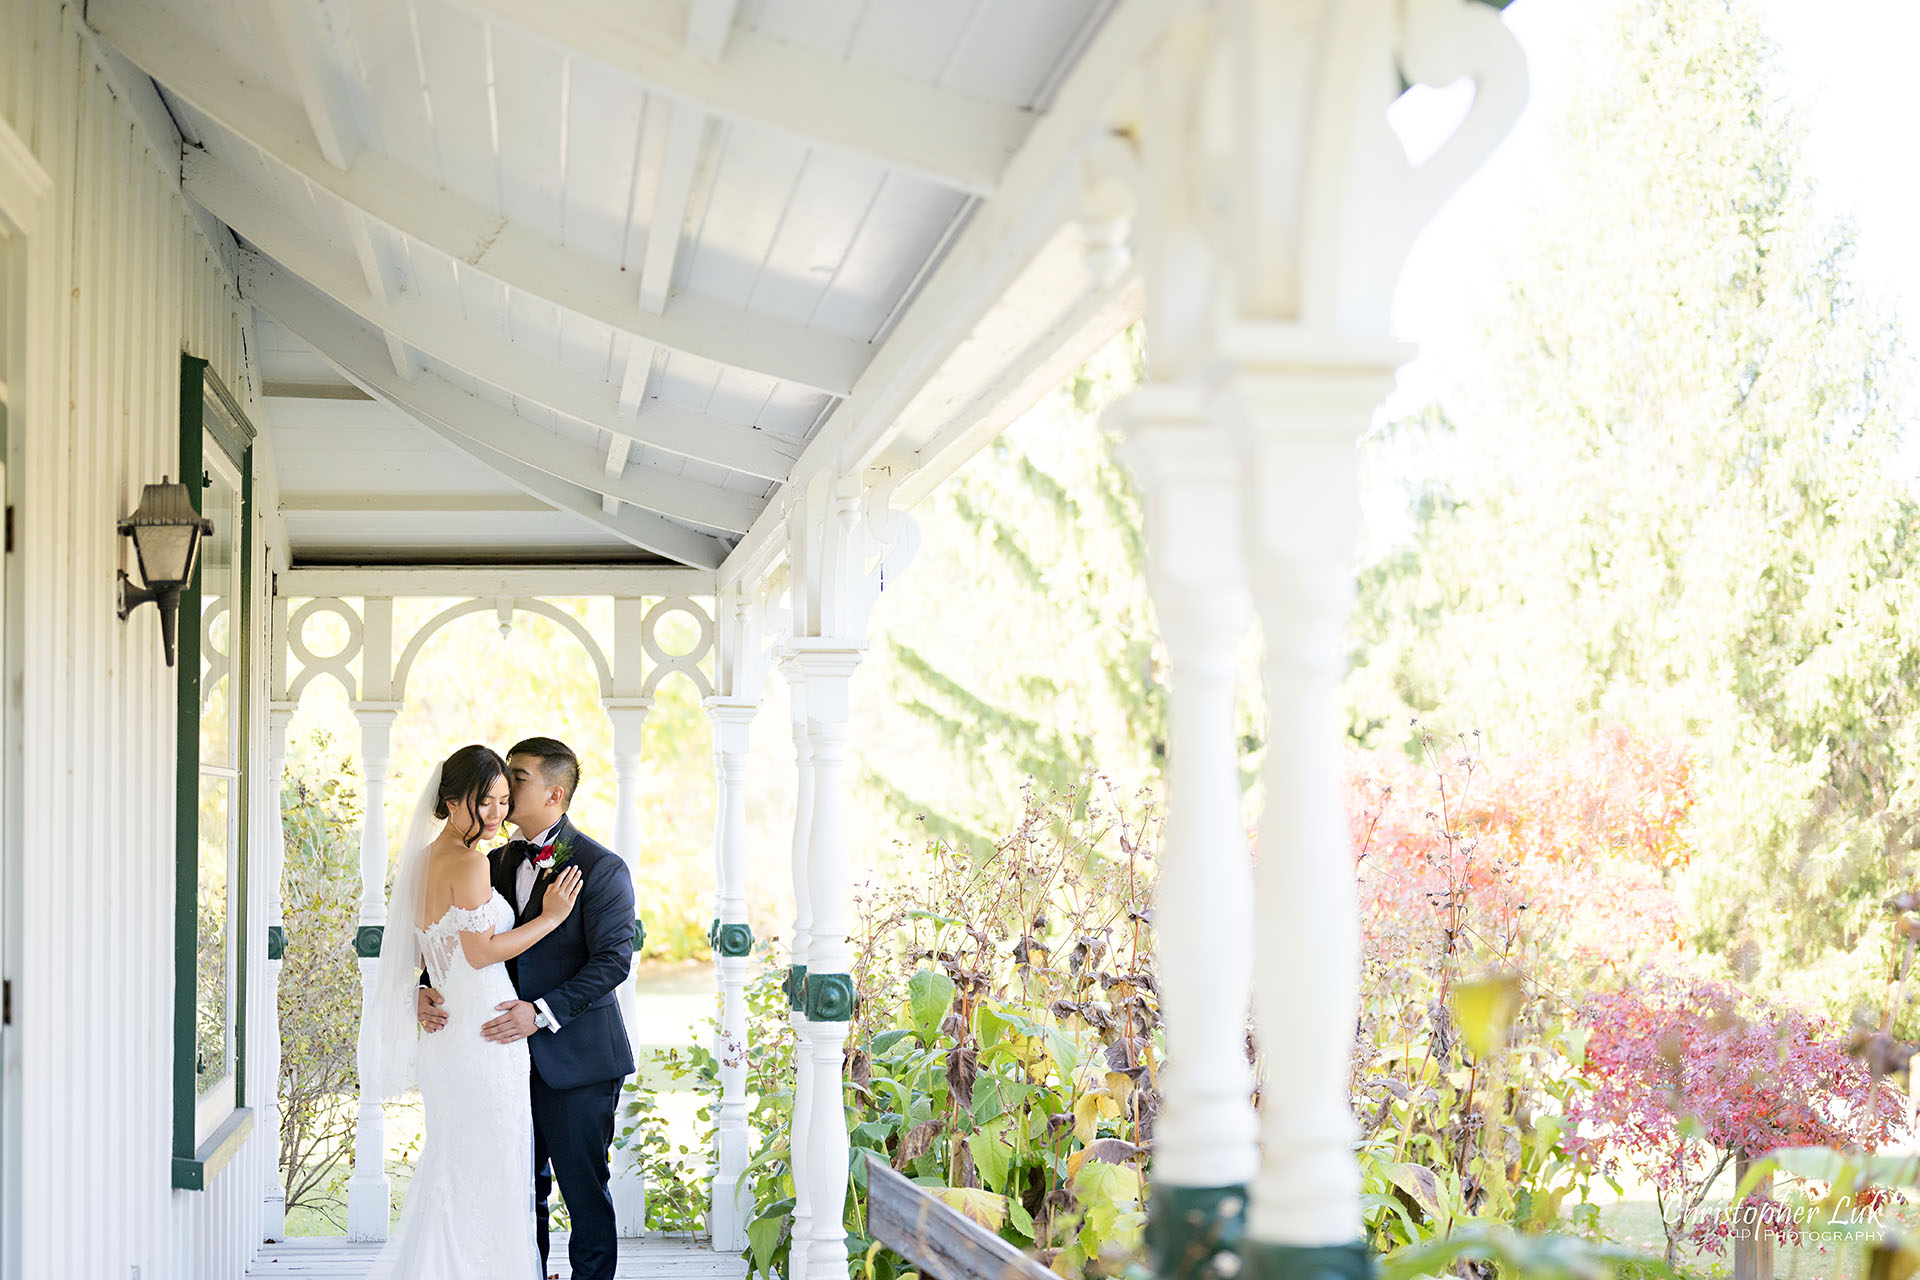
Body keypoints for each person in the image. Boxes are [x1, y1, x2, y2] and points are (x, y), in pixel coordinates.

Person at [416, 736, 637, 1280]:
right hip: (495, 1056)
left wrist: (538, 1012)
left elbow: (612, 962)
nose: (504, 787)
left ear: (554, 793)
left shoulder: (601, 868)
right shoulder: (490, 860)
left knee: (585, 1194)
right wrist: (425, 983)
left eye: (517, 778)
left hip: (576, 1059)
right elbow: (464, 936)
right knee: (517, 1189)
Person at [363, 743, 583, 1279]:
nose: (495, 813)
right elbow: (480, 950)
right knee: (491, 1170)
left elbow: (415, 949)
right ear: (450, 800)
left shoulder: (421, 863)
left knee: (457, 1169)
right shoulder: (469, 862)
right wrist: (551, 917)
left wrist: (420, 990)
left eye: (504, 800)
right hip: (486, 1039)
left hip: (450, 1037)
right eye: (483, 801)